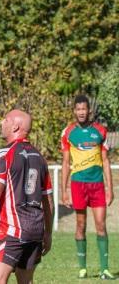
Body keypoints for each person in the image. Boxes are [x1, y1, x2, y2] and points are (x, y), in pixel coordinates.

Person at [0, 110, 53, 284]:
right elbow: (48, 201)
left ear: (16, 126)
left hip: (12, 229)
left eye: (5, 119)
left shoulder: (5, 153)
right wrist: (48, 232)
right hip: (35, 230)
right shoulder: (40, 157)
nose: (1, 123)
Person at [61, 95, 114, 279]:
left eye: (84, 109)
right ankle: (82, 269)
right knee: (80, 225)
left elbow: (106, 161)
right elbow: (66, 163)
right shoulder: (68, 133)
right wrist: (64, 191)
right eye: (78, 109)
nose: (81, 112)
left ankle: (104, 269)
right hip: (78, 185)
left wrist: (110, 189)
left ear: (89, 110)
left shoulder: (101, 131)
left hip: (97, 185)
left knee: (101, 225)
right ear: (74, 111)